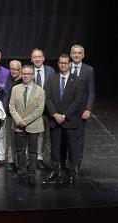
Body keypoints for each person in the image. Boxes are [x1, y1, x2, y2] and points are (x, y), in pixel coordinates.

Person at [46, 54, 85, 185]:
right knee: (55, 148)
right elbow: (48, 98)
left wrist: (65, 116)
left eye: (65, 63)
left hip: (70, 121)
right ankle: (55, 170)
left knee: (72, 148)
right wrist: (55, 114)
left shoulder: (77, 80)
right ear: (58, 63)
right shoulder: (52, 79)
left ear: (69, 64)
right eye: (61, 62)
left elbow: (77, 101)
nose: (63, 65)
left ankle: (72, 172)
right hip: (55, 120)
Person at [9, 65, 45, 185]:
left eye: (28, 74)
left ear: (33, 75)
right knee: (20, 150)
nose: (25, 76)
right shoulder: (15, 89)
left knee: (33, 151)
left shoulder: (40, 90)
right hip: (19, 125)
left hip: (33, 125)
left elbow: (40, 109)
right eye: (23, 73)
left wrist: (26, 120)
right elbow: (11, 107)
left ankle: (31, 173)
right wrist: (19, 120)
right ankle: (21, 170)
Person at [70, 44, 95, 172]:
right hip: (67, 110)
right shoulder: (66, 67)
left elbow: (91, 92)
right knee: (67, 137)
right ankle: (67, 162)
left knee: (79, 137)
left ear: (83, 55)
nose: (76, 55)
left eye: (79, 53)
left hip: (81, 110)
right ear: (71, 55)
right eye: (74, 53)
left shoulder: (88, 70)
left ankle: (76, 163)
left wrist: (88, 109)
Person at [31, 48, 55, 169]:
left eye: (39, 56)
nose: (37, 59)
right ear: (31, 59)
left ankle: (40, 157)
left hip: (46, 109)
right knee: (30, 134)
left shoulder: (51, 71)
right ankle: (30, 157)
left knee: (42, 133)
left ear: (43, 58)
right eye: (35, 57)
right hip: (30, 109)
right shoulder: (28, 71)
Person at [2, 60, 23, 171]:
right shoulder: (7, 80)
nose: (14, 71)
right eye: (12, 69)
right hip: (9, 114)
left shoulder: (24, 81)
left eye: (16, 69)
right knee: (10, 138)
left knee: (21, 139)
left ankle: (22, 161)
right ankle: (11, 160)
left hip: (21, 115)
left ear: (20, 69)